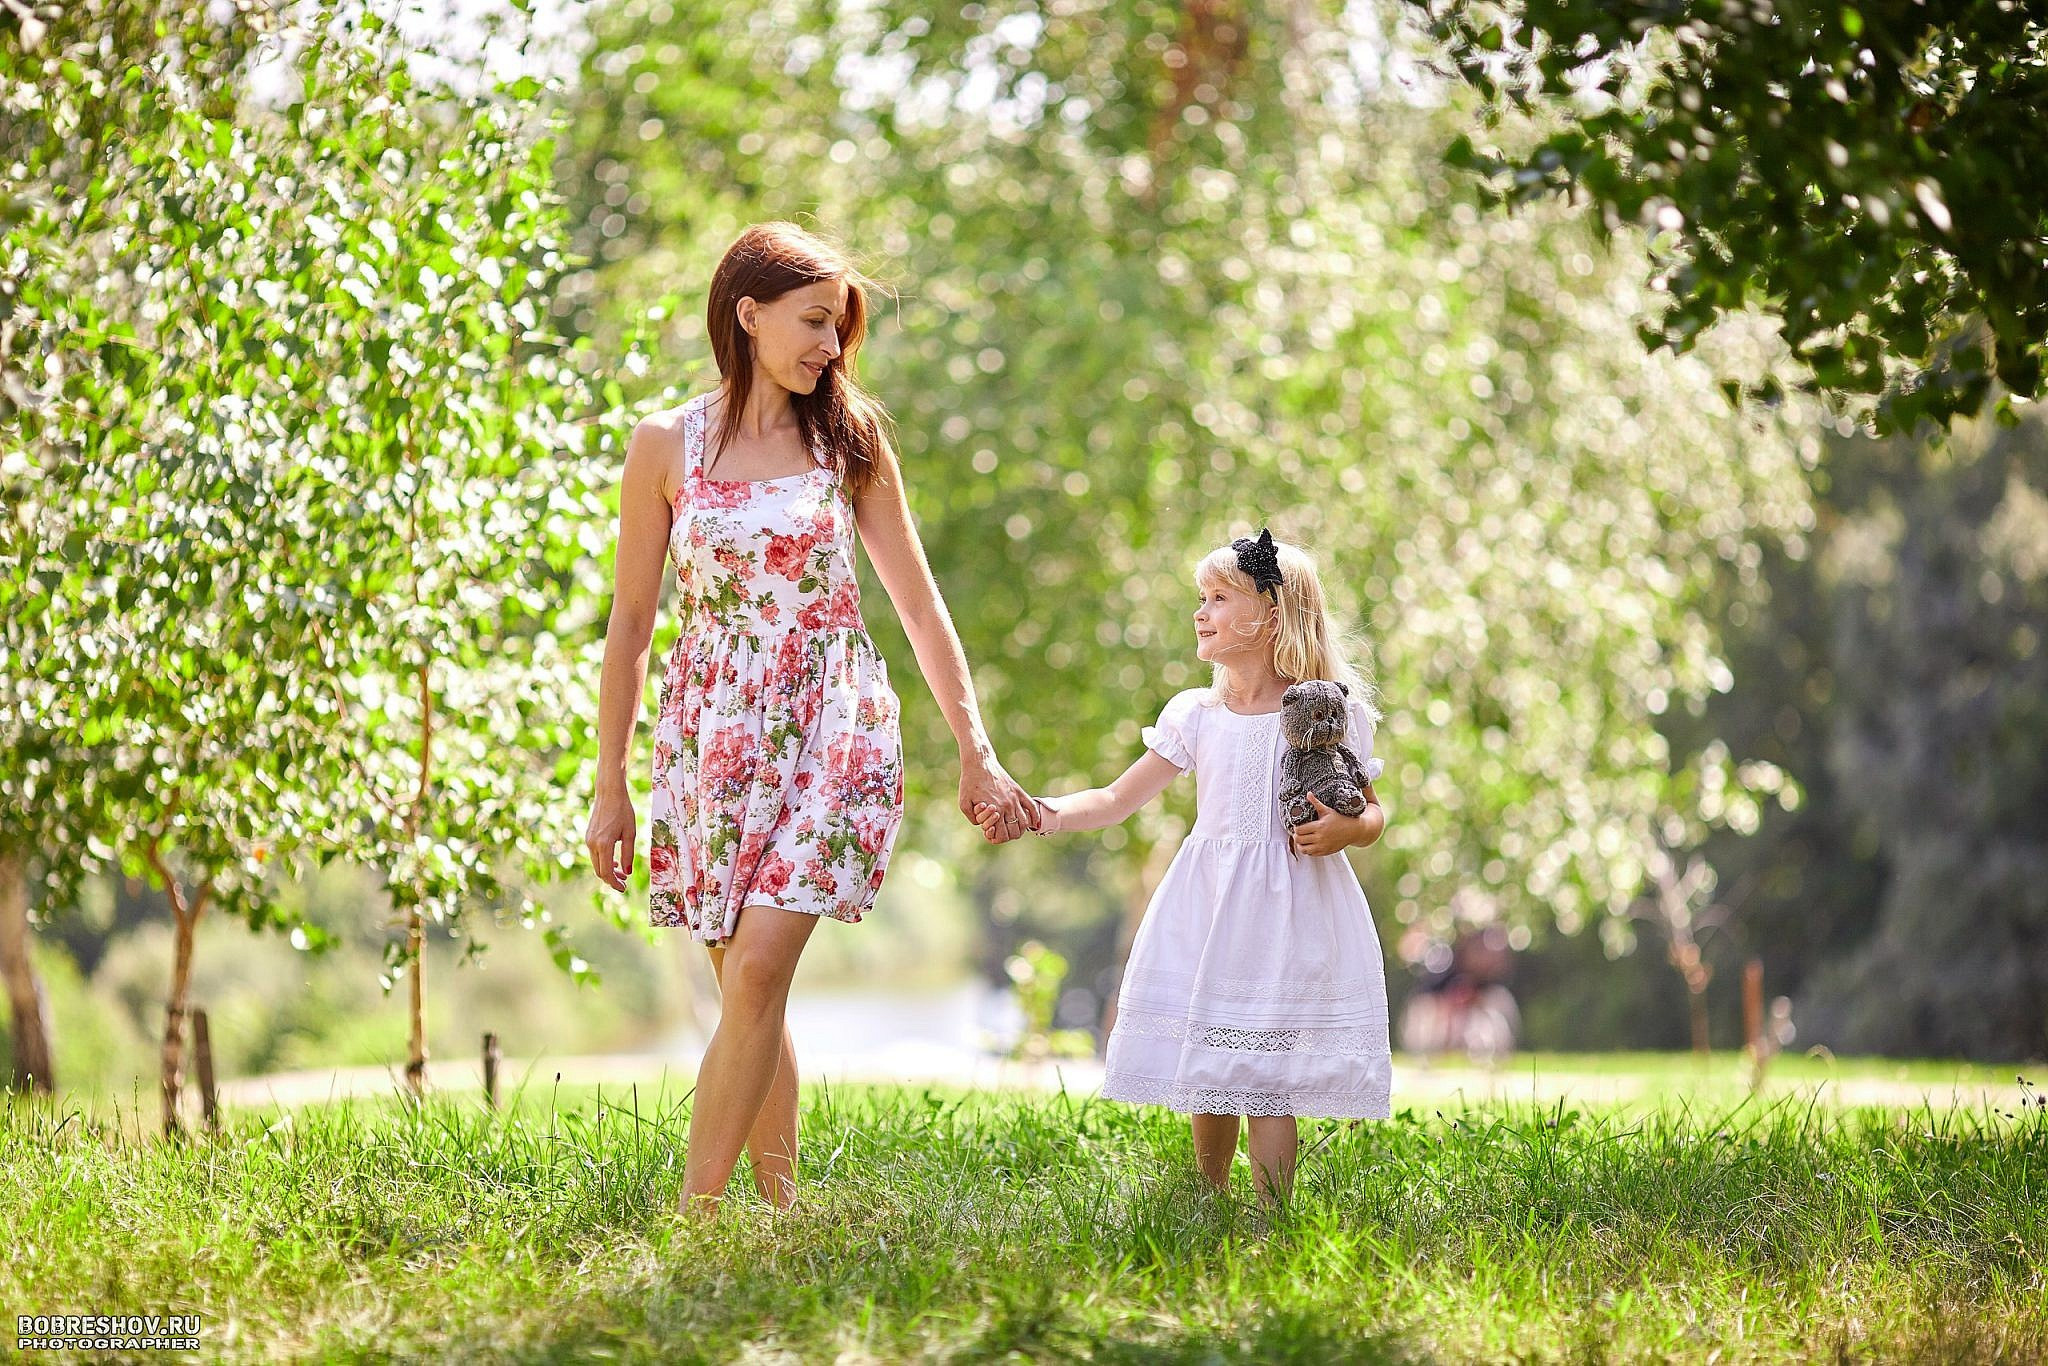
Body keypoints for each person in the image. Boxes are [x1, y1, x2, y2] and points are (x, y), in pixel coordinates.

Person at [585, 221, 1035, 1215]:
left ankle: (694, 1226)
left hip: (834, 725)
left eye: (839, 327)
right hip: (711, 736)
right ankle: (780, 1219)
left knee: (755, 970)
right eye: (815, 321)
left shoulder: (849, 440)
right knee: (748, 989)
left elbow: (919, 605)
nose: (832, 346)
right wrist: (609, 783)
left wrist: (976, 749)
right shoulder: (665, 445)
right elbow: (631, 622)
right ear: (748, 315)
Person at [982, 531, 1392, 1203]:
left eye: (1219, 598)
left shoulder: (1326, 710)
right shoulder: (1197, 715)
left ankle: (1273, 1220)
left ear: (1272, 613)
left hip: (1290, 910)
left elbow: (1372, 811)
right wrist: (1040, 812)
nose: (1201, 612)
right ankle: (1209, 1200)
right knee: (1212, 1059)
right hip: (1213, 904)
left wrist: (1349, 829)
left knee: (1267, 1073)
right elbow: (1116, 800)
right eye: (1201, 598)